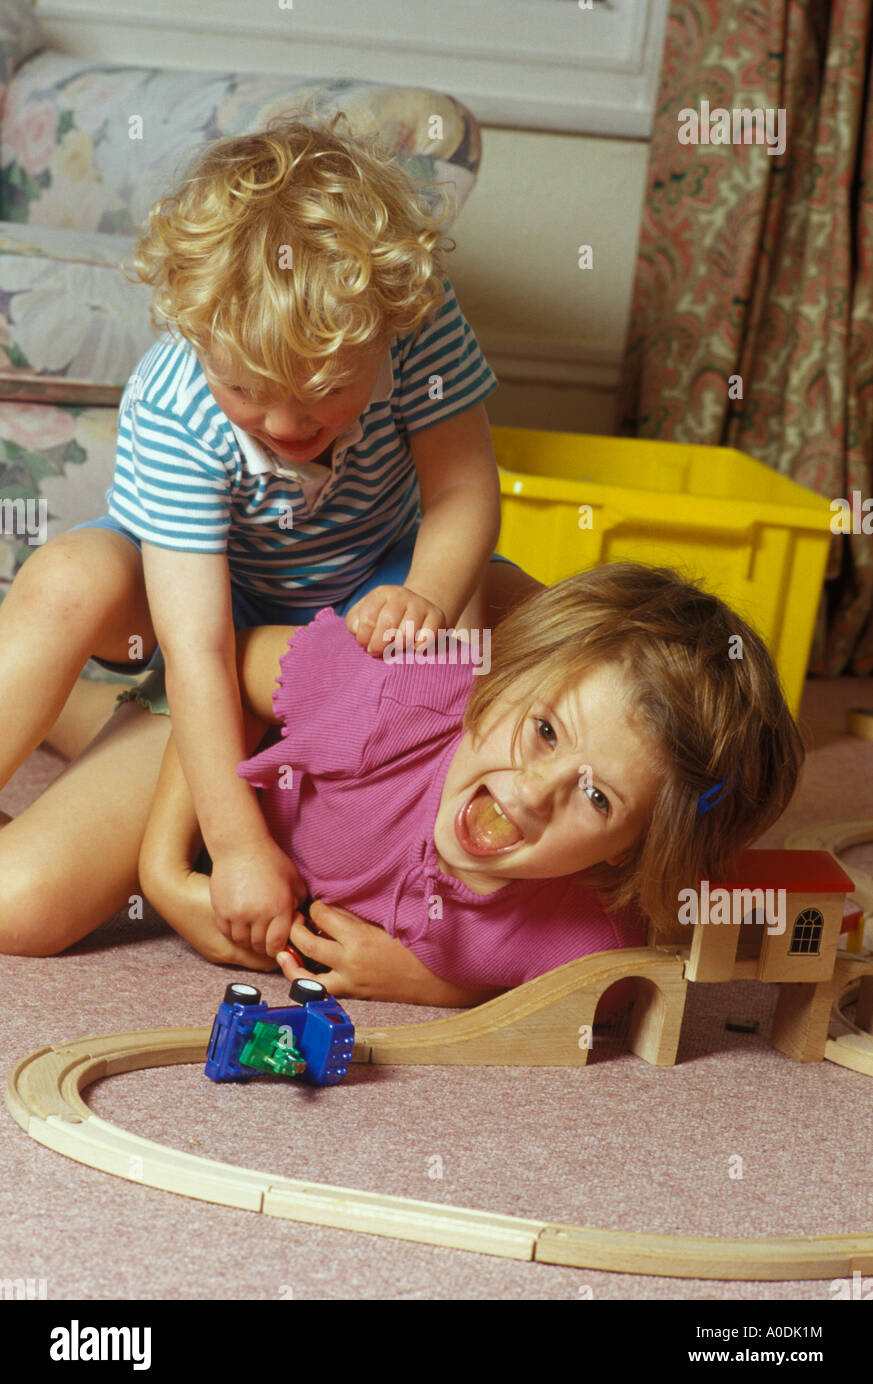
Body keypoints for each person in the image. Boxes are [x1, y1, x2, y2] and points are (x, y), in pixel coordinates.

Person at [0, 113, 506, 956]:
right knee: (18, 907)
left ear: (384, 330)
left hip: (362, 613)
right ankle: (116, 717)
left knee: (511, 630)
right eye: (245, 388)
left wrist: (424, 598)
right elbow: (195, 647)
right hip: (199, 634)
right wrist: (234, 849)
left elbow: (460, 489)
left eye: (322, 390)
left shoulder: (414, 321)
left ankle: (119, 728)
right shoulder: (175, 407)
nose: (281, 422)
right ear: (199, 340)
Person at [136, 562, 805, 1007]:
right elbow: (219, 678)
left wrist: (427, 984)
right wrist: (172, 870)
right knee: (32, 910)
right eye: (544, 731)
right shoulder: (391, 702)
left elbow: (602, 1000)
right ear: (502, 682)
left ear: (626, 850)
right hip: (202, 757)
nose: (534, 792)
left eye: (598, 798)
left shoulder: (589, 944)